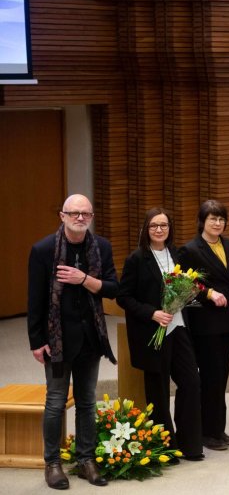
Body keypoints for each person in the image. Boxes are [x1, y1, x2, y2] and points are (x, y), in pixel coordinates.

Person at [27, 194, 117, 489]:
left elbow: (113, 288)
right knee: (55, 402)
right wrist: (36, 340)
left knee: (87, 402)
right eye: (74, 213)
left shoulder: (101, 247)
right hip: (57, 339)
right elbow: (35, 299)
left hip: (91, 336)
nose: (80, 218)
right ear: (62, 215)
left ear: (91, 217)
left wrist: (83, 279)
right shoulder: (42, 250)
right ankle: (52, 463)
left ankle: (85, 460)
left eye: (86, 214)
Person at [118, 207, 204, 461]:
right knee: (158, 390)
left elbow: (189, 285)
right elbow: (123, 297)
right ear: (146, 229)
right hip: (152, 331)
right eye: (154, 226)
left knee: (191, 382)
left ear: (170, 228)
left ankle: (190, 444)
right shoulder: (136, 259)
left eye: (163, 225)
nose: (159, 230)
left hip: (178, 328)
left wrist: (187, 295)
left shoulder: (178, 254)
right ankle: (166, 446)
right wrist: (152, 313)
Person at [177, 200, 229, 451]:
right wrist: (209, 293)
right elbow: (184, 283)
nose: (217, 223)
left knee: (221, 375)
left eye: (221, 219)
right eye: (212, 218)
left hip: (227, 321)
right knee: (211, 376)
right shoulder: (190, 249)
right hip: (205, 322)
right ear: (202, 221)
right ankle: (206, 431)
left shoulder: (228, 244)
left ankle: (217, 428)